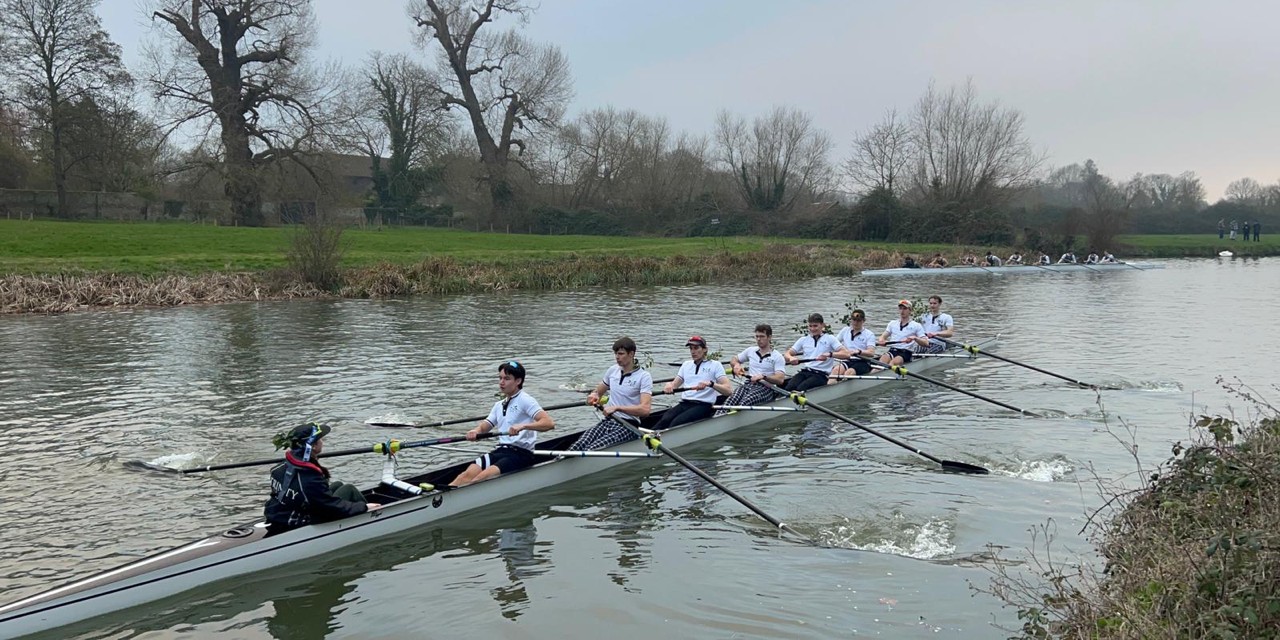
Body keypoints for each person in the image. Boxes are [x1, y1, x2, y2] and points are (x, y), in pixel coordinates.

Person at [449, 361, 555, 488]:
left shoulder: (526, 400)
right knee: (466, 475)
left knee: (480, 479)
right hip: (501, 450)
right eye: (500, 378)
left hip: (521, 454)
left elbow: (548, 423)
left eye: (507, 378)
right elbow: (485, 426)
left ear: (518, 381)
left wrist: (523, 426)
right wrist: (475, 431)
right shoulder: (499, 405)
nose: (501, 382)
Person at [264, 423, 381, 534]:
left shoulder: (279, 467)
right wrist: (363, 507)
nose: (322, 441)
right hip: (301, 521)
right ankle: (376, 518)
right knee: (349, 489)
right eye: (320, 439)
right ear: (313, 446)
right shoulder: (309, 478)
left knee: (337, 485)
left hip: (280, 514)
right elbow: (329, 506)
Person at [568, 337, 653, 451]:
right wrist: (594, 395)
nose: (617, 357)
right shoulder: (613, 370)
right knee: (577, 446)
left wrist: (617, 408)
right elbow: (598, 392)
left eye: (621, 354)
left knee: (592, 449)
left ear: (631, 354)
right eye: (615, 354)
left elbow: (645, 410)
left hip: (628, 426)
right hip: (608, 421)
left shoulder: (644, 377)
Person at [652, 336, 732, 430]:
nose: (693, 352)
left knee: (676, 423)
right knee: (664, 420)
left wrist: (711, 384)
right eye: (691, 348)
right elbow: (674, 385)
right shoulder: (686, 365)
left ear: (705, 349)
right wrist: (669, 385)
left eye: (696, 348)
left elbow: (728, 390)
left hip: (703, 405)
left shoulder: (715, 365)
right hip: (685, 403)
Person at [716, 324, 786, 415]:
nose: (758, 339)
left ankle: (732, 419)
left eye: (762, 336)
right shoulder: (751, 351)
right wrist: (736, 365)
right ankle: (718, 416)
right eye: (757, 336)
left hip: (767, 388)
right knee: (730, 401)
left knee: (744, 404)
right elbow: (734, 359)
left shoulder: (777, 357)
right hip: (749, 384)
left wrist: (764, 377)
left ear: (769, 337)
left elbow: (780, 379)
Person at [784, 313, 846, 391]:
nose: (812, 329)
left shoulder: (830, 339)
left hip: (821, 375)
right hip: (806, 371)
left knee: (801, 388)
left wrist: (829, 354)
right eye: (810, 326)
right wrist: (790, 358)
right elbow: (787, 353)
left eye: (815, 326)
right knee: (789, 387)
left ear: (822, 325)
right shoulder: (803, 340)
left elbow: (846, 354)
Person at [878, 300, 928, 367]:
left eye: (905, 309)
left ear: (910, 311)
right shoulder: (892, 323)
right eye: (900, 308)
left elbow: (926, 343)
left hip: (906, 352)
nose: (902, 311)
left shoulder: (916, 325)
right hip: (892, 350)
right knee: (881, 362)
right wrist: (881, 341)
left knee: (893, 363)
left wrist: (915, 338)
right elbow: (882, 337)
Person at [831, 309, 877, 379]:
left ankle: (844, 387)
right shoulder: (845, 330)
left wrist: (859, 351)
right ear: (851, 320)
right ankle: (832, 386)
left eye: (858, 320)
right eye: (854, 320)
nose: (856, 322)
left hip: (862, 362)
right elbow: (834, 344)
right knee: (835, 371)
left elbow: (871, 352)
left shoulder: (869, 334)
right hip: (847, 360)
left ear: (863, 321)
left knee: (849, 372)